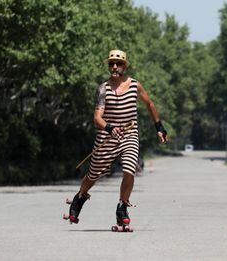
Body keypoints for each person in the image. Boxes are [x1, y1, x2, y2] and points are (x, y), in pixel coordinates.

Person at [65, 50, 167, 228]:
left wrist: (159, 127)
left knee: (129, 169)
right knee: (93, 175)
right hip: (107, 136)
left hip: (129, 135)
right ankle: (80, 197)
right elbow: (97, 118)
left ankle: (122, 207)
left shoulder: (135, 85)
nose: (114, 67)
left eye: (118, 64)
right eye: (111, 63)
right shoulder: (103, 89)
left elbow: (149, 104)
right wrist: (109, 127)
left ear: (124, 66)